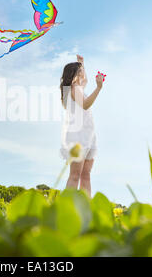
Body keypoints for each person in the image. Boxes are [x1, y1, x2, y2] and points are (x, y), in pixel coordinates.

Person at [59, 55, 105, 197]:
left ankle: (85, 208)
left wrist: (81, 63)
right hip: (79, 136)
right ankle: (67, 207)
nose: (83, 73)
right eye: (80, 71)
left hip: (86, 134)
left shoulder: (73, 88)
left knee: (85, 174)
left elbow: (84, 80)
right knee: (76, 175)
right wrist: (99, 88)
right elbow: (85, 105)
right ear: (75, 74)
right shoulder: (74, 89)